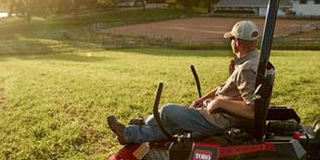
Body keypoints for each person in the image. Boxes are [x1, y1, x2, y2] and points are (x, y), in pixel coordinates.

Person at [108, 20, 260, 144]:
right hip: (220, 115)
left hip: (220, 121)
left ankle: (144, 122)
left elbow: (252, 110)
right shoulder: (253, 61)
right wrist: (203, 99)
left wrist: (220, 102)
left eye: (231, 39)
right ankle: (129, 133)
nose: (231, 42)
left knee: (169, 110)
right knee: (174, 125)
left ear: (237, 42)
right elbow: (227, 87)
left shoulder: (246, 69)